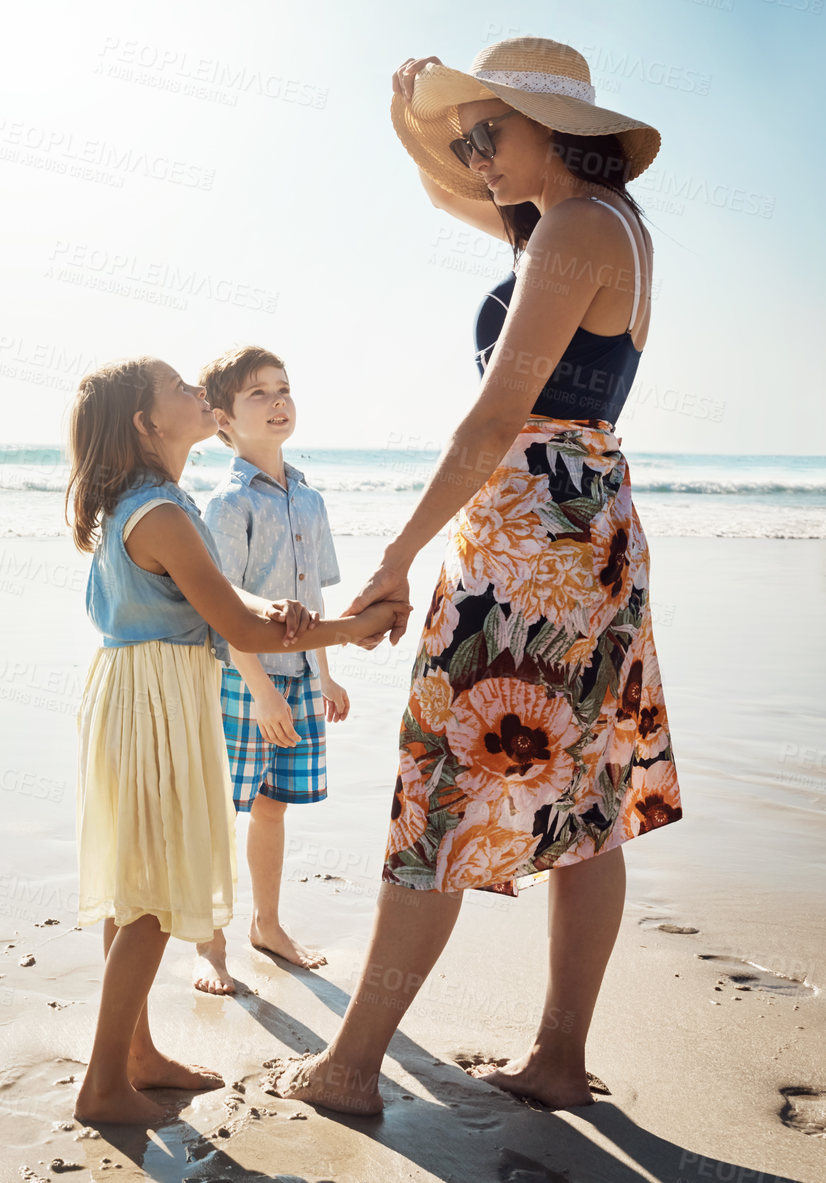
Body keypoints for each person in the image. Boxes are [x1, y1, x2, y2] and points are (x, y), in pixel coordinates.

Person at [277, 36, 680, 1115]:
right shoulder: (592, 224)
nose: (475, 156)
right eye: (470, 139)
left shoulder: (577, 229)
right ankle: (556, 1058)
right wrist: (417, 115)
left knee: (441, 792)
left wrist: (394, 558)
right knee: (585, 805)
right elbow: (444, 187)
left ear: (557, 128)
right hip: (584, 530)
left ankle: (352, 1065)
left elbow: (495, 418)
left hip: (529, 544)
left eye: (489, 132)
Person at [64, 355, 407, 1124]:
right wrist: (353, 629)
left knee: (135, 886)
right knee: (153, 895)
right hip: (155, 704)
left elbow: (225, 595)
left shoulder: (156, 504)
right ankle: (103, 1086)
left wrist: (274, 604)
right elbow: (241, 625)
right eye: (180, 389)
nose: (198, 394)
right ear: (148, 425)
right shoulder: (162, 512)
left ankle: (136, 1053)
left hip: (138, 694)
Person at [189, 346, 348, 994]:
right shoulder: (228, 504)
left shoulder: (308, 496)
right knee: (222, 812)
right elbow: (223, 611)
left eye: (283, 388)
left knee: (275, 807)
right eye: (258, 393)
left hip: (301, 676)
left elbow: (313, 601)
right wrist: (260, 691)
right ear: (223, 420)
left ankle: (268, 922)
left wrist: (325, 672)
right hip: (243, 678)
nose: (278, 401)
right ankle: (209, 943)